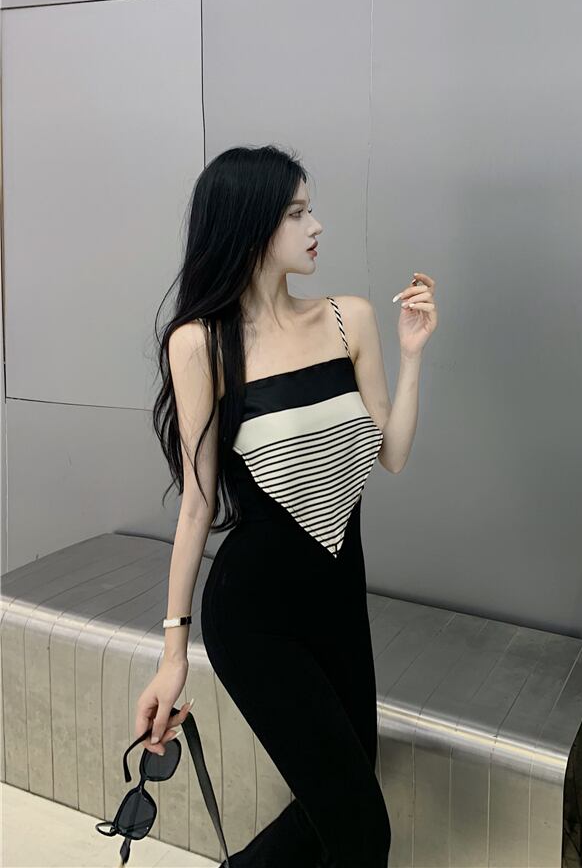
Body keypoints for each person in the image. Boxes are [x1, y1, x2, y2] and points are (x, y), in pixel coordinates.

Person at [134, 144, 438, 866]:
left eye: (310, 210)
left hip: (339, 600)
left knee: (336, 806)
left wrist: (413, 353)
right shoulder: (200, 344)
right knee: (362, 830)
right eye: (297, 213)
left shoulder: (349, 318)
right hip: (254, 617)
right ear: (250, 227)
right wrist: (173, 655)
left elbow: (391, 454)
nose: (316, 226)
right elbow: (197, 506)